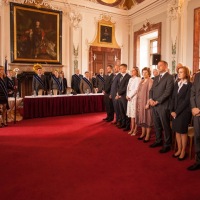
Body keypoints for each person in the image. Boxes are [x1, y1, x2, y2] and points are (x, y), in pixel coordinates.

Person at [149, 60, 174, 153]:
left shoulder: (170, 77)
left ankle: (167, 144)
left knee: (165, 125)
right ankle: (158, 140)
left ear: (166, 66)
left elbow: (168, 92)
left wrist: (157, 101)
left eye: (161, 65)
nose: (158, 67)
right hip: (154, 105)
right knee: (157, 124)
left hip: (163, 105)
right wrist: (150, 99)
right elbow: (151, 90)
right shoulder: (156, 77)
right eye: (158, 65)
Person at [170, 66, 192, 161]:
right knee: (177, 131)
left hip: (183, 112)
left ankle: (183, 151)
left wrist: (176, 112)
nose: (179, 74)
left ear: (186, 74)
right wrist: (171, 110)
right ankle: (179, 149)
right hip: (174, 112)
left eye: (181, 72)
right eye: (178, 72)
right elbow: (172, 98)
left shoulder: (190, 85)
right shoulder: (177, 83)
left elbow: (186, 101)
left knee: (182, 132)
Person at [136, 67, 153, 142]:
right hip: (140, 102)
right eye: (143, 72)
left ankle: (148, 135)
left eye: (146, 72)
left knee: (147, 118)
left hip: (146, 102)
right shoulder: (141, 81)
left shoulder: (150, 81)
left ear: (149, 73)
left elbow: (150, 93)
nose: (144, 73)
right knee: (142, 118)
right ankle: (143, 133)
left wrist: (148, 103)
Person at [187, 71, 200, 170]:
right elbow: (192, 94)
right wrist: (193, 108)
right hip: (196, 113)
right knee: (197, 137)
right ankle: (198, 161)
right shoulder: (198, 76)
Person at [116, 64, 131, 131]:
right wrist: (117, 94)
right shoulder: (120, 77)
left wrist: (119, 93)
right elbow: (118, 86)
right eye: (120, 68)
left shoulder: (128, 77)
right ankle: (123, 123)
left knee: (126, 111)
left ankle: (127, 126)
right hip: (119, 96)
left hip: (124, 96)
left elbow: (126, 87)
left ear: (125, 68)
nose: (121, 69)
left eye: (122, 68)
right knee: (121, 111)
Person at [126, 67, 141, 135]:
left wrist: (130, 96)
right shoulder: (130, 79)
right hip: (129, 98)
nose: (132, 71)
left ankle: (135, 129)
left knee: (134, 115)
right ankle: (132, 128)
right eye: (131, 70)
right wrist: (127, 95)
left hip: (134, 98)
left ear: (137, 71)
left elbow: (136, 89)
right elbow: (128, 88)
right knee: (131, 115)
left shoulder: (138, 79)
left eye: (133, 70)